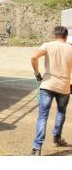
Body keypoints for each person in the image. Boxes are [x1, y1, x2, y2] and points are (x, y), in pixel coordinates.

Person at [30, 26, 72, 156]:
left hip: (47, 85)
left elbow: (33, 57)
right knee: (61, 112)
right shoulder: (71, 48)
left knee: (42, 116)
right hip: (64, 87)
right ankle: (57, 138)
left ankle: (37, 148)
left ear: (55, 35)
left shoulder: (47, 45)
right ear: (66, 36)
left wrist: (37, 73)